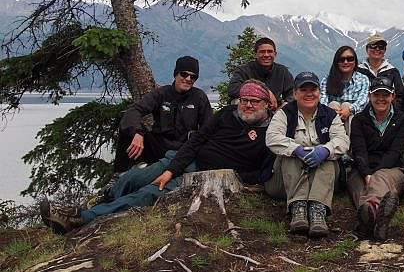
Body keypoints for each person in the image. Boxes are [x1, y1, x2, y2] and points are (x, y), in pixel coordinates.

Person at [41, 80, 276, 233]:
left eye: (254, 101)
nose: (246, 105)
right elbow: (196, 140)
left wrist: (235, 177)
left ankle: (80, 218)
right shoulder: (226, 114)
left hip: (204, 175)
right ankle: (107, 197)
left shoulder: (271, 133)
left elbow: (263, 172)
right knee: (136, 176)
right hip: (184, 159)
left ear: (266, 104)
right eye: (243, 100)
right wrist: (172, 168)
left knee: (150, 193)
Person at [265, 72, 349, 237]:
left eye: (313, 89)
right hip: (286, 181)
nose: (309, 93)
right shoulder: (284, 114)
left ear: (319, 92)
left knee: (329, 157)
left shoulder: (330, 115)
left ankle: (318, 211)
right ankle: (298, 208)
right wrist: (297, 150)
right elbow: (272, 138)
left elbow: (342, 140)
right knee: (289, 155)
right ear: (295, 93)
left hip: (322, 176)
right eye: (303, 89)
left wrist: (325, 150)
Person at [114, 55, 212, 172]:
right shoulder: (161, 94)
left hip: (185, 149)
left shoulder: (199, 97)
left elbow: (209, 126)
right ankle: (119, 173)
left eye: (193, 77)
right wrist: (137, 133)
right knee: (128, 128)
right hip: (158, 146)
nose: (188, 79)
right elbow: (134, 111)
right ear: (176, 74)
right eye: (184, 74)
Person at [348, 76, 404, 240]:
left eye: (385, 95)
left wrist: (373, 175)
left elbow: (395, 153)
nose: (381, 99)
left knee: (376, 183)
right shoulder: (359, 120)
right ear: (370, 96)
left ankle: (367, 216)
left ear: (393, 96)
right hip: (361, 170)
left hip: (392, 170)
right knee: (359, 186)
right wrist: (366, 173)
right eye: (377, 95)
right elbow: (359, 150)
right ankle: (377, 217)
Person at [229, 37, 293, 108]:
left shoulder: (282, 71)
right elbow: (233, 90)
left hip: (273, 110)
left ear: (275, 54)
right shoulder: (243, 70)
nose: (266, 55)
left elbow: (293, 93)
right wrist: (264, 91)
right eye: (262, 52)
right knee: (236, 102)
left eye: (269, 51)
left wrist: (283, 108)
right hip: (249, 110)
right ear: (255, 54)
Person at [320, 46, 370, 133]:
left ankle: (351, 142)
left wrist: (350, 109)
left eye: (350, 59)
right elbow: (322, 99)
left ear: (355, 61)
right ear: (336, 62)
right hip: (331, 116)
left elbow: (363, 100)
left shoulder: (363, 79)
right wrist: (331, 110)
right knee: (333, 104)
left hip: (355, 118)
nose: (346, 62)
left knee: (347, 105)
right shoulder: (327, 80)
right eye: (341, 59)